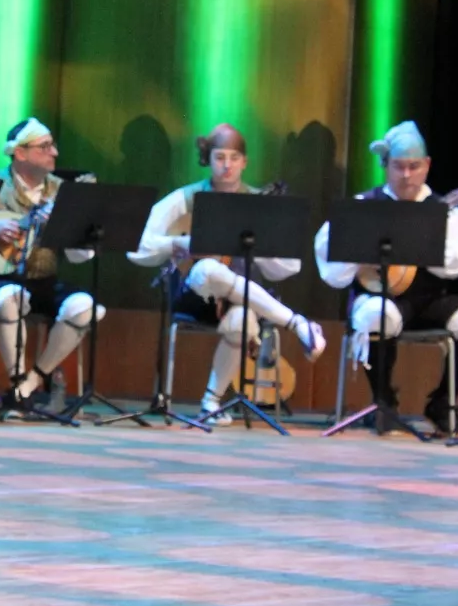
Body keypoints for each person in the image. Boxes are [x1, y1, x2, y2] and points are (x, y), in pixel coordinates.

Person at [314, 121, 458, 436]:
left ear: (427, 166)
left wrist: (423, 243)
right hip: (380, 297)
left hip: (431, 300)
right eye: (398, 167)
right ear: (386, 166)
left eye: (414, 167)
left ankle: (442, 403)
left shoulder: (443, 210)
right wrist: (361, 253)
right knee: (378, 316)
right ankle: (383, 402)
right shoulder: (365, 206)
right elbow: (329, 254)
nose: (406, 175)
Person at [129, 123, 325, 424]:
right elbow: (137, 245)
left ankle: (211, 403)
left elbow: (289, 266)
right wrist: (180, 243)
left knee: (244, 321)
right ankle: (295, 322)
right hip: (194, 296)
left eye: (234, 158)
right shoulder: (188, 198)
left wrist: (259, 246)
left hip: (239, 302)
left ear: (245, 162)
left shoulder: (257, 201)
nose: (227, 165)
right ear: (209, 159)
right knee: (208, 268)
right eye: (220, 157)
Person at [0, 117, 101, 415]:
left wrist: (76, 232)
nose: (54, 152)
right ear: (20, 153)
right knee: (11, 298)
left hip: (44, 279)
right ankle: (17, 379)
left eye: (52, 146)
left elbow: (79, 257)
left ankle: (28, 384)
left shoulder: (64, 191)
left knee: (85, 307)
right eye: (45, 146)